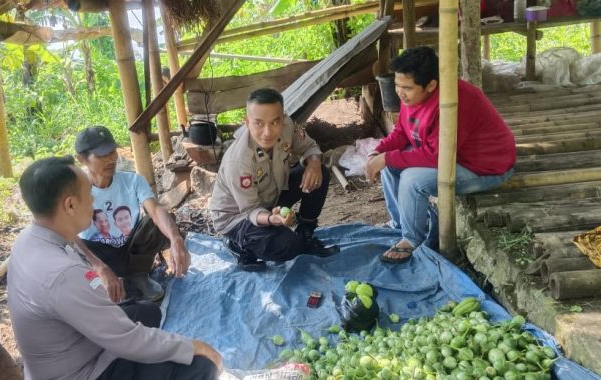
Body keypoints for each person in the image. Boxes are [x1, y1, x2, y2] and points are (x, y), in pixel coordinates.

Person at [8, 156, 221, 380]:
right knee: (201, 365)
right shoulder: (63, 275)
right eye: (87, 193)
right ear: (70, 205)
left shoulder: (27, 239)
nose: (93, 200)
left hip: (69, 350)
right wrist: (194, 347)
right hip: (84, 371)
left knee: (146, 313)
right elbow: (128, 340)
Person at [365, 46, 516, 263]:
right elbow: (402, 131)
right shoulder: (411, 95)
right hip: (449, 157)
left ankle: (411, 240)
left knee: (411, 179)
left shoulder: (455, 100)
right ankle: (400, 223)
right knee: (390, 165)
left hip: (485, 169)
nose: (399, 92)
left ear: (431, 85)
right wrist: (378, 152)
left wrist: (387, 158)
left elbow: (438, 156)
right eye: (397, 85)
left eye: (406, 87)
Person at [210, 88, 339, 272]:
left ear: (283, 117)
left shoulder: (287, 125)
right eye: (259, 124)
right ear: (247, 123)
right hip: (238, 217)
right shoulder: (239, 161)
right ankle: (238, 245)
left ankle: (306, 233)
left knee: (320, 174)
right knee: (288, 246)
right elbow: (251, 211)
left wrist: (314, 162)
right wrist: (272, 219)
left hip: (272, 196)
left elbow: (309, 147)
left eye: (275, 122)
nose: (268, 132)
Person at [75, 125, 191, 301]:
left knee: (157, 223)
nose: (110, 159)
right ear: (81, 159)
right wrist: (99, 267)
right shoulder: (75, 191)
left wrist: (176, 239)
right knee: (72, 248)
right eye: (101, 155)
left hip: (132, 250)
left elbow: (155, 209)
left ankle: (138, 276)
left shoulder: (133, 181)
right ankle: (104, 280)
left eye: (112, 152)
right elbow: (67, 235)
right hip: (99, 255)